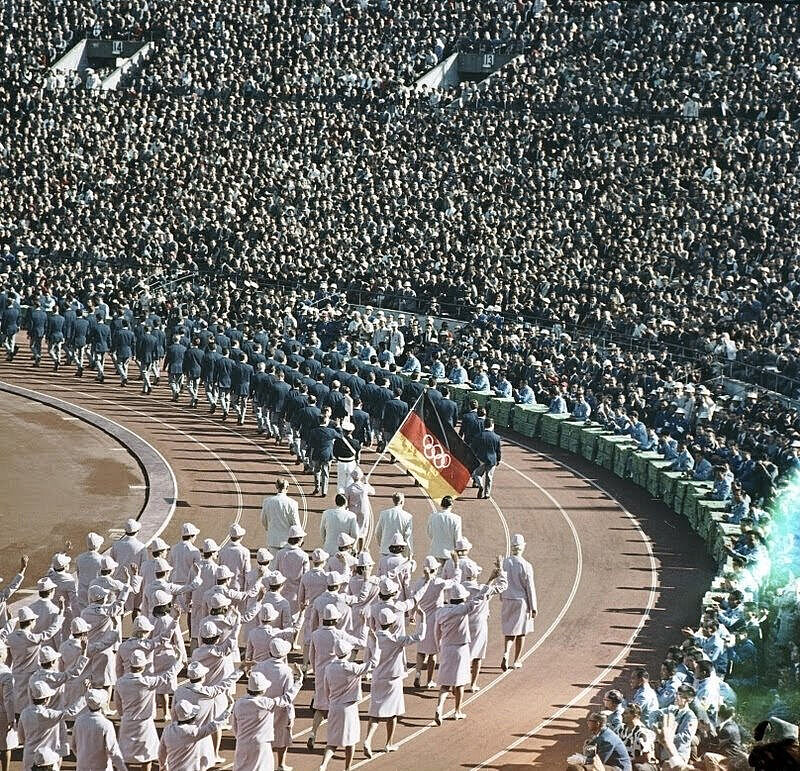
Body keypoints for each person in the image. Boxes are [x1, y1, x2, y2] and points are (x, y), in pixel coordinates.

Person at [363, 607, 427, 756]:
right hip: (393, 678)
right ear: (392, 623)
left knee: (375, 713)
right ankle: (388, 743)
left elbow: (368, 656)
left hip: (377, 677)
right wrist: (422, 618)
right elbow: (419, 637)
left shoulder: (373, 638)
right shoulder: (396, 639)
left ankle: (368, 739)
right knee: (392, 713)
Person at [319, 635, 379, 771]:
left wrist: (330, 703)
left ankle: (323, 765)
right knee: (350, 741)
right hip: (349, 707)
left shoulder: (329, 668)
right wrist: (375, 644)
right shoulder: (353, 668)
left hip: (334, 706)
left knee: (332, 741)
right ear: (347, 653)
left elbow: (326, 690)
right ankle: (347, 768)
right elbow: (374, 662)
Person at [231, 667, 304, 771]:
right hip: (262, 744)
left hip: (242, 743)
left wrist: (240, 738)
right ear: (263, 690)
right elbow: (287, 698)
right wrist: (299, 680)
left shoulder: (239, 703)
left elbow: (235, 726)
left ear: (248, 689)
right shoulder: (267, 703)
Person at [157, 699, 231, 771]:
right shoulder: (193, 732)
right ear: (192, 717)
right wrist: (229, 708)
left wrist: (163, 766)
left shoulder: (168, 729)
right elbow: (215, 725)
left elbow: (161, 752)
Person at [500, 533, 537, 670]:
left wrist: (502, 596)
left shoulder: (505, 562)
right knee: (521, 632)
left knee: (509, 631)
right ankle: (516, 660)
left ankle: (506, 652)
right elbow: (530, 587)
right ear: (523, 547)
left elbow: (501, 581)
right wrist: (533, 607)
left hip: (507, 599)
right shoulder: (526, 565)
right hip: (521, 601)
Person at [72, 689, 127, 771]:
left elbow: (74, 746)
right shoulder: (106, 724)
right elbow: (113, 751)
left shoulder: (79, 721)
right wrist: (123, 769)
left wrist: (82, 759)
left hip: (82, 766)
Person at [566, 712, 631, 771]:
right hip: (611, 764)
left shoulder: (607, 740)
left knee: (582, 768)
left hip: (619, 768)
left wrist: (583, 760)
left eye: (590, 721)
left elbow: (599, 761)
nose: (587, 722)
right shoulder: (602, 733)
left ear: (597, 724)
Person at [261, 478, 301, 550]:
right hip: (288, 541)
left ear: (276, 487)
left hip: (273, 540)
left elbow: (263, 519)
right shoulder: (293, 503)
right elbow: (296, 523)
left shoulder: (267, 501)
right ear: (287, 487)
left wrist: (269, 528)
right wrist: (300, 538)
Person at [309, 412, 341, 496]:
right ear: (326, 422)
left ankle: (317, 487)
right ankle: (324, 491)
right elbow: (341, 436)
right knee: (325, 473)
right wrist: (338, 426)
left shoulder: (313, 431)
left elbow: (310, 444)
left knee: (317, 471)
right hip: (327, 455)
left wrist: (310, 455)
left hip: (316, 454)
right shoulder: (331, 431)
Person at [344, 467, 375, 550]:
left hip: (352, 511)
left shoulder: (348, 488)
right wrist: (367, 482)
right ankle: (360, 550)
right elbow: (373, 492)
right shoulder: (365, 487)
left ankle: (352, 549)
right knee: (363, 532)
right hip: (363, 511)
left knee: (353, 531)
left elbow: (346, 501)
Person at [470, 417, 502, 498]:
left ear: (484, 425)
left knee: (476, 474)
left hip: (481, 459)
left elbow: (473, 448)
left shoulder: (478, 436)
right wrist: (498, 459)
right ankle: (487, 494)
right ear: (492, 425)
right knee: (489, 477)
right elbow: (498, 450)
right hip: (492, 460)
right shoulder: (497, 437)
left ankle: (480, 484)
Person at [375, 492, 414, 557]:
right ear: (402, 502)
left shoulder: (384, 514)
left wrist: (381, 545)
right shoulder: (408, 516)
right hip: (400, 551)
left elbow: (378, 532)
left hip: (385, 550)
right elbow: (408, 536)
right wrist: (410, 553)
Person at [427, 496, 462, 562]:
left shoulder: (432, 516)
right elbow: (458, 537)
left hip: (435, 551)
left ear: (441, 505)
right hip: (449, 553)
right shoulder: (456, 518)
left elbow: (429, 532)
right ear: (451, 505)